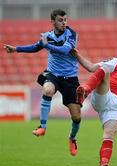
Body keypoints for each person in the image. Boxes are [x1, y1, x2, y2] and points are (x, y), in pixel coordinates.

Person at [4, 9, 81, 156]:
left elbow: (65, 50)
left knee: (77, 116)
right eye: (60, 20)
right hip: (52, 74)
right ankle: (42, 126)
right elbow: (35, 47)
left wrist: (47, 45)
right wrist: (16, 49)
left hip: (70, 78)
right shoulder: (47, 36)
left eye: (65, 20)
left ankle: (72, 138)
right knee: (47, 90)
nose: (64, 23)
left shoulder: (71, 34)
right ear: (52, 22)